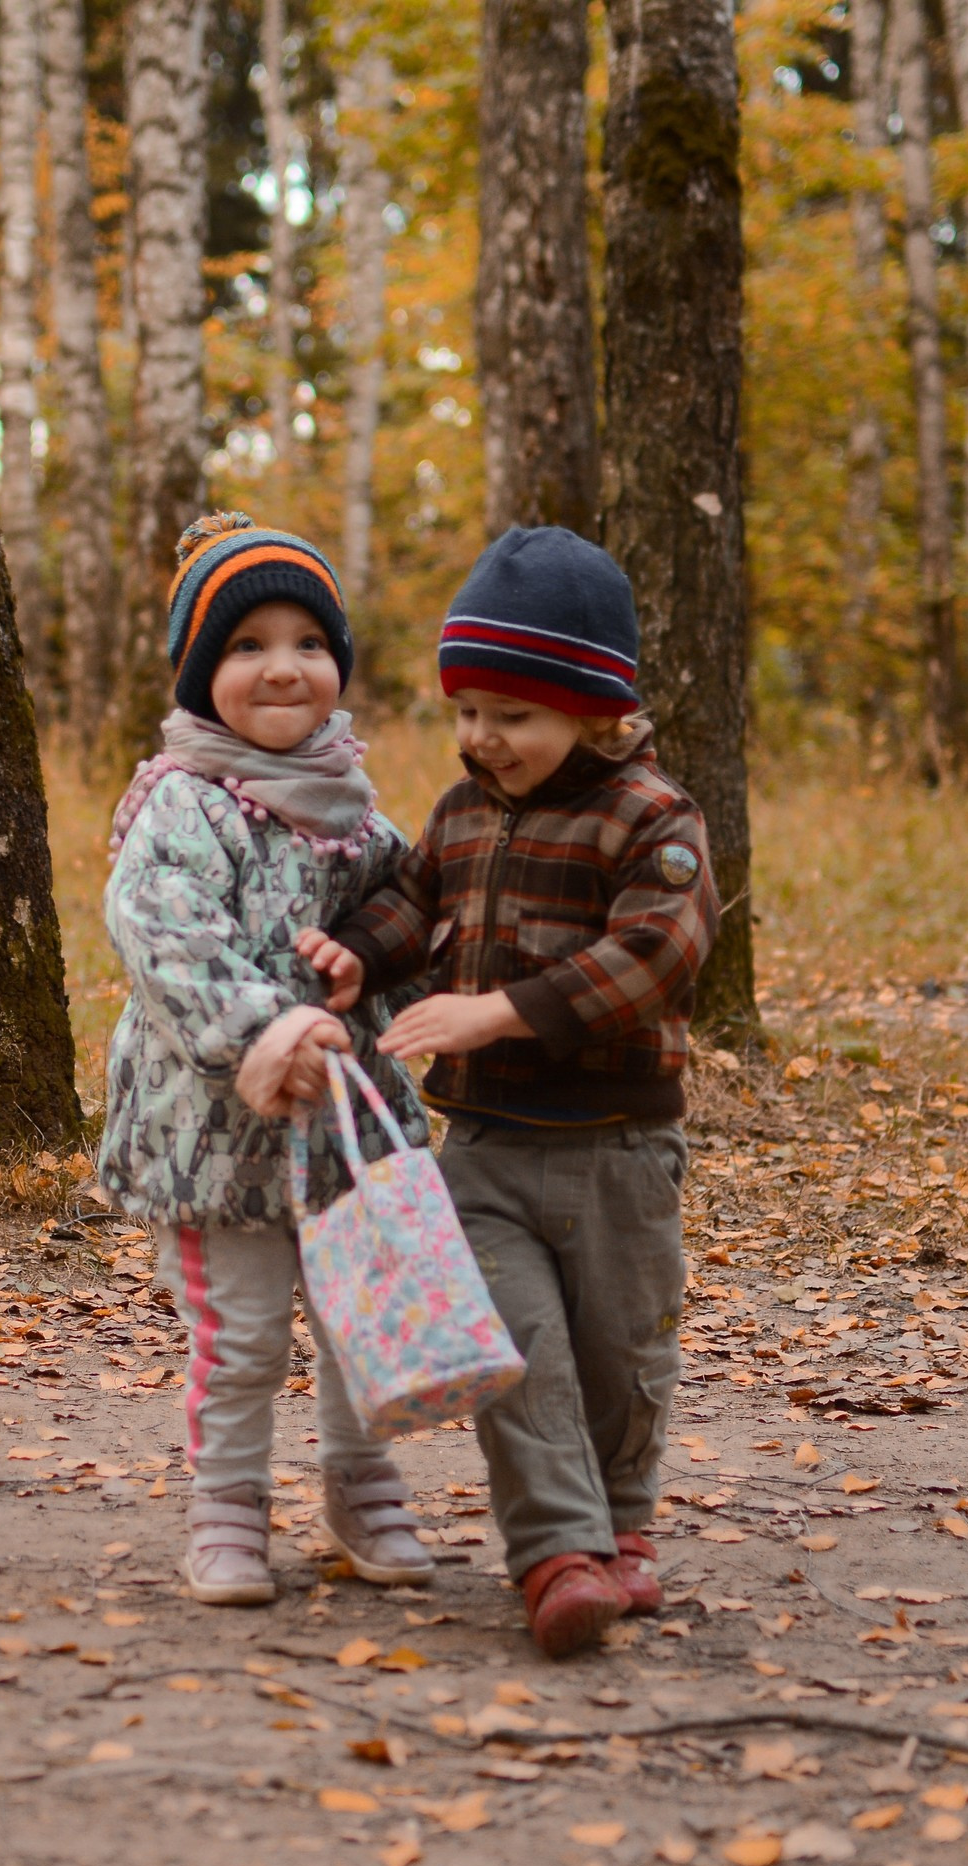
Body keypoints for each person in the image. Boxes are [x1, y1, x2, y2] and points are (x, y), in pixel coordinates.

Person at [299, 526, 718, 1658]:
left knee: (619, 1356)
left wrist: (499, 1009)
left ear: (594, 710)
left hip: (620, 1149)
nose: (483, 739)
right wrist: (356, 954)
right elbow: (406, 899)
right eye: (466, 711)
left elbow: (656, 956)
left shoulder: (651, 818)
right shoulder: (460, 811)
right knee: (518, 1352)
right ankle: (556, 1556)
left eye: (512, 715)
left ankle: (622, 1525)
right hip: (482, 1146)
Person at [98, 511, 437, 1606]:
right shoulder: (183, 804)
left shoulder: (358, 810)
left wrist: (414, 989)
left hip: (347, 1129)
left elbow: (408, 921)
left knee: (359, 1325)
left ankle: (363, 1482)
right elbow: (166, 939)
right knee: (242, 1337)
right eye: (245, 646)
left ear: (338, 663)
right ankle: (227, 1506)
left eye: (306, 640)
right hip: (215, 1142)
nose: (281, 667)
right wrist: (268, 1030)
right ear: (203, 677)